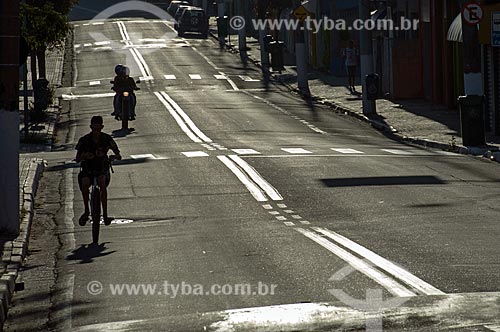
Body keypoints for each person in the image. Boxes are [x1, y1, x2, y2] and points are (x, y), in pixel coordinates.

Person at [75, 116, 122, 227]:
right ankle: (86, 211)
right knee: (85, 183)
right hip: (88, 169)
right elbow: (77, 158)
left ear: (102, 127)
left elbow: (117, 153)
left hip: (102, 168)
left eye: (98, 128)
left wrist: (113, 156)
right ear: (91, 127)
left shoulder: (107, 139)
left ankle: (105, 215)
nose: (96, 131)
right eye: (94, 128)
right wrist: (85, 156)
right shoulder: (84, 140)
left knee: (102, 182)